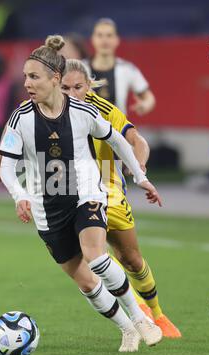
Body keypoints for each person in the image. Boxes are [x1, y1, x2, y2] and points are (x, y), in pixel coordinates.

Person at [0, 35, 163, 352]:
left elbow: (117, 140)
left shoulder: (81, 111)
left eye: (33, 76)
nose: (27, 83)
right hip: (48, 210)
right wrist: (19, 195)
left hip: (86, 194)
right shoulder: (21, 119)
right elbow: (7, 166)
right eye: (25, 77)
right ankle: (128, 329)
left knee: (96, 256)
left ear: (54, 78)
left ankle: (141, 317)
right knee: (87, 282)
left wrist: (141, 177)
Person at [59, 59, 181, 338]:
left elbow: (137, 141)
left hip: (109, 190)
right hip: (71, 193)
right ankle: (136, 312)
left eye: (78, 87)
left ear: (89, 86)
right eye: (65, 87)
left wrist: (139, 168)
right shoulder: (48, 110)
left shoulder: (103, 110)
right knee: (94, 256)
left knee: (131, 258)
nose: (71, 93)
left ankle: (157, 314)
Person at [84, 18, 156, 116]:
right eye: (100, 35)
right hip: (87, 129)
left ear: (117, 40)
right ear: (92, 39)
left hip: (118, 129)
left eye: (109, 35)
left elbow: (148, 97)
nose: (104, 40)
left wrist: (145, 105)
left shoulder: (127, 69)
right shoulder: (80, 68)